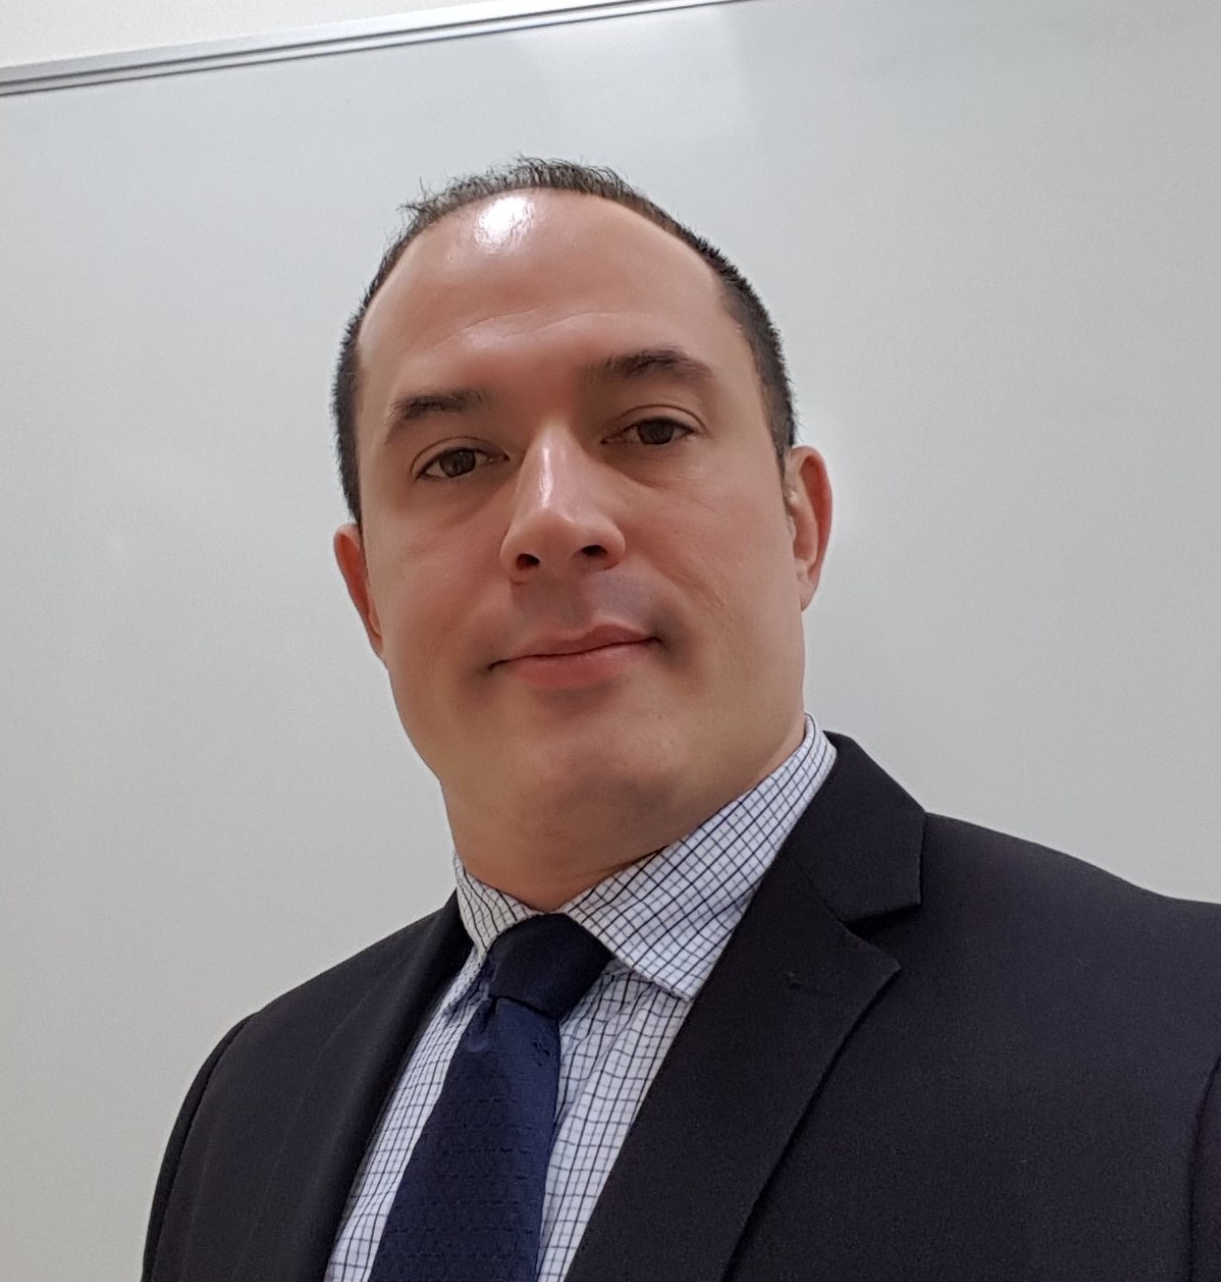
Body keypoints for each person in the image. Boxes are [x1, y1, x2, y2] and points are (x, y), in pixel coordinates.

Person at [142, 159, 1221, 1281]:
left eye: (651, 429)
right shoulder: (250, 1104)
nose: (553, 519)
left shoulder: (1181, 1042)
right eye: (455, 459)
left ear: (800, 525)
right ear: (368, 593)